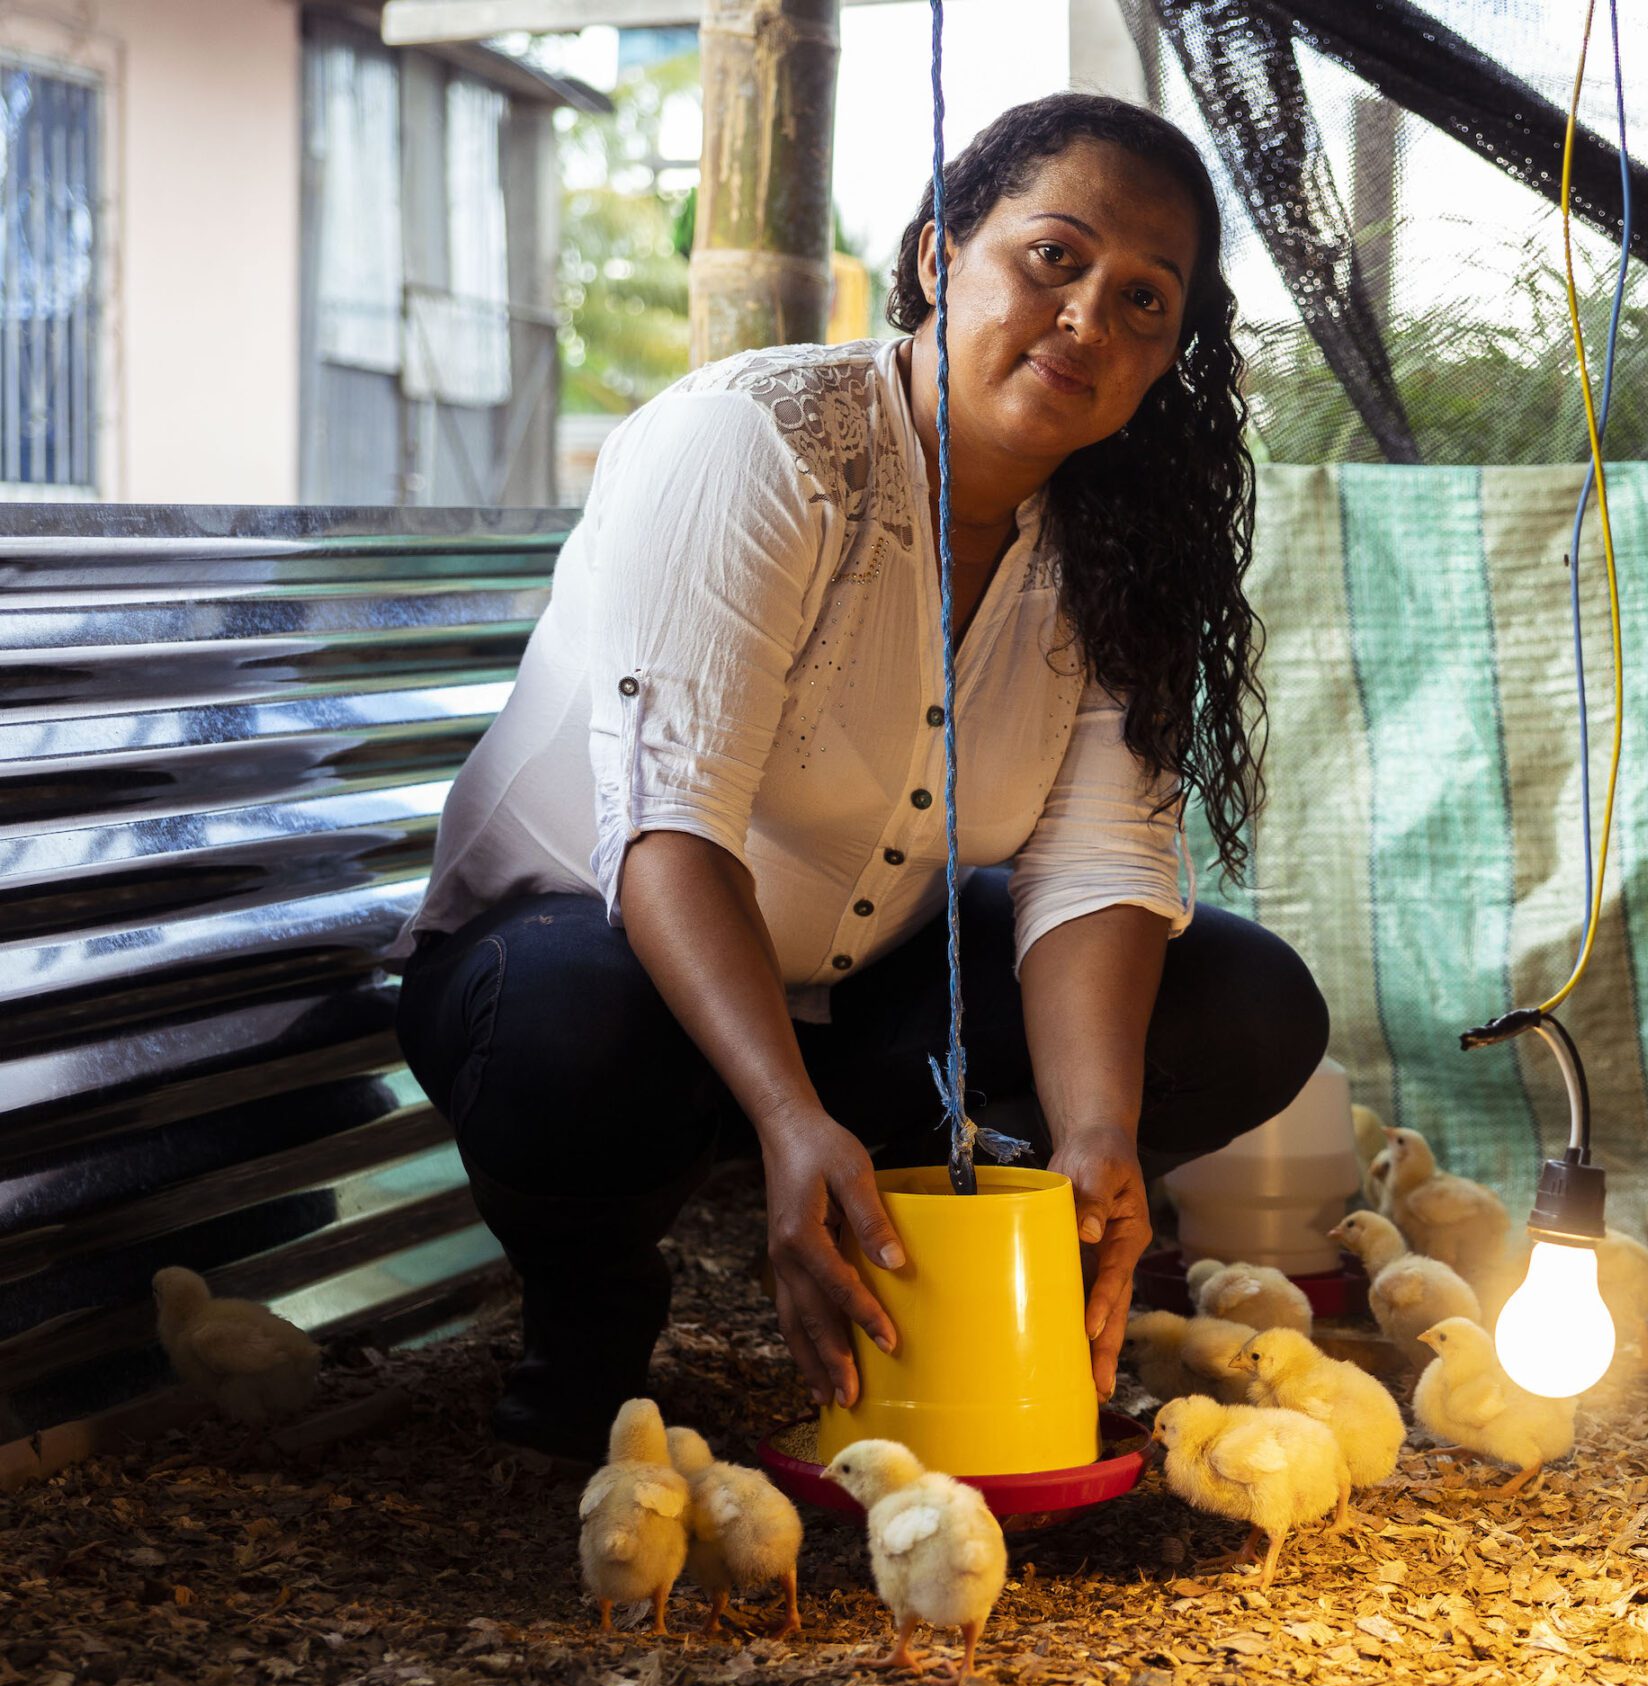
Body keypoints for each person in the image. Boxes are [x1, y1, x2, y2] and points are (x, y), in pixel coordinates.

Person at [390, 93, 1328, 1461]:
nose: (1086, 320)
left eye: (1142, 301)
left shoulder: (1125, 545)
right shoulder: (762, 444)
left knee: (1243, 1004)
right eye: (1053, 260)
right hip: (576, 963)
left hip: (855, 990)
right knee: (574, 1024)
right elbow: (667, 821)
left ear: (1166, 360)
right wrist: (783, 1115)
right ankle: (588, 1314)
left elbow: (1101, 867)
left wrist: (1097, 1139)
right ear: (943, 255)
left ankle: (946, 1261)